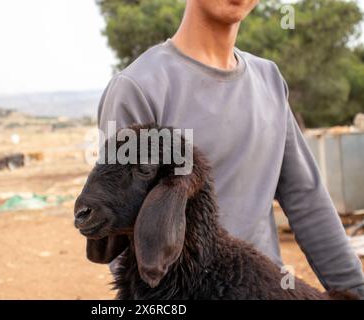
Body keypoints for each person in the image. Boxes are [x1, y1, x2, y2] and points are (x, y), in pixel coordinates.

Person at [97, 0, 364, 296]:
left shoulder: (269, 80)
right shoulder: (139, 87)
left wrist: (356, 289)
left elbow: (306, 199)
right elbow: (115, 223)